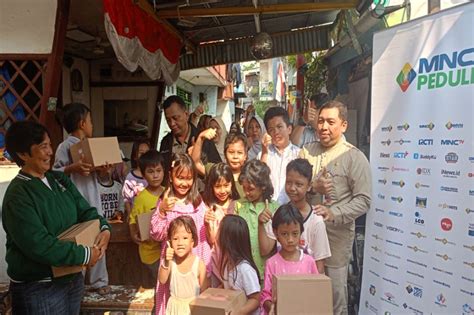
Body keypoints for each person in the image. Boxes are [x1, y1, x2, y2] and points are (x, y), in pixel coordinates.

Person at [3, 121, 111, 314]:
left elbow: (85, 210)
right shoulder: (18, 196)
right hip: (39, 288)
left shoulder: (57, 179)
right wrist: (85, 255)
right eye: (43, 147)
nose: (50, 152)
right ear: (23, 154)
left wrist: (103, 228)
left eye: (50, 145)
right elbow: (40, 245)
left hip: (71, 278)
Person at [299, 100, 371, 315]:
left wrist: (333, 213)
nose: (324, 127)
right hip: (303, 238)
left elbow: (364, 200)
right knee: (303, 292)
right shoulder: (306, 152)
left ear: (344, 125)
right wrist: (313, 187)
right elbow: (293, 188)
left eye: (331, 122)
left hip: (335, 239)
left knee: (334, 296)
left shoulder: (354, 157)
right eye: (320, 121)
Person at [53, 102, 110, 294]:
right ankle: (79, 284)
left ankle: (99, 282)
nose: (92, 125)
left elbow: (100, 177)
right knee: (80, 242)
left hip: (92, 200)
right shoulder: (65, 146)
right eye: (90, 121)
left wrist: (104, 170)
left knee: (99, 240)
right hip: (75, 203)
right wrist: (72, 168)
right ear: (81, 123)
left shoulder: (90, 146)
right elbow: (54, 173)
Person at [150, 153, 212, 315]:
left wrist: (208, 221)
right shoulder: (165, 201)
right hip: (172, 263)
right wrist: (162, 210)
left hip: (194, 263)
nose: (184, 183)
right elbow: (156, 234)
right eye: (180, 178)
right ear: (170, 176)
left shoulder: (198, 202)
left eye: (189, 178)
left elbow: (204, 237)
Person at [258, 159, 331, 274]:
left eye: (299, 184)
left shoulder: (316, 220)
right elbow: (265, 250)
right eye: (288, 182)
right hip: (281, 283)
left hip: (305, 286)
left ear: (309, 186)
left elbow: (319, 266)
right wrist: (261, 224)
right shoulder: (279, 213)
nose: (292, 188)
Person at [260, 204, 319, 315]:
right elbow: (266, 295)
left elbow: (315, 291)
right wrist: (273, 307)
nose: (290, 239)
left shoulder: (309, 262)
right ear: (276, 233)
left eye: (295, 233)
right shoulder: (272, 263)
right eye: (284, 234)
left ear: (301, 232)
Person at [235, 159, 279, 279]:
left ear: (263, 186)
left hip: (267, 275)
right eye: (244, 188)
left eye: (251, 189)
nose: (247, 193)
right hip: (244, 274)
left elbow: (267, 250)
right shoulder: (238, 206)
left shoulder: (274, 208)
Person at [159, 95, 221, 175]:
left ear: (186, 114)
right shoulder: (166, 142)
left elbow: (218, 173)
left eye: (175, 118)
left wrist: (197, 158)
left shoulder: (203, 140)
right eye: (168, 120)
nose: (172, 124)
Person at [159, 216, 208, 315]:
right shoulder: (170, 262)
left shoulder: (199, 264)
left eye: (185, 238)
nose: (180, 243)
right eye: (175, 239)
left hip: (193, 308)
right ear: (170, 242)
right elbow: (162, 279)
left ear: (192, 241)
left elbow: (205, 292)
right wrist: (166, 261)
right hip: (174, 309)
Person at [129, 150, 165, 281]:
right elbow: (133, 219)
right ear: (143, 175)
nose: (155, 175)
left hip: (167, 251)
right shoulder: (141, 198)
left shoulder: (168, 194)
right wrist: (133, 234)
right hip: (150, 253)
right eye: (151, 172)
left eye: (158, 170)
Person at [215, 215, 261, 315]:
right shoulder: (228, 264)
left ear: (227, 239)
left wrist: (238, 312)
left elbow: (256, 299)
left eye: (219, 230)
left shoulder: (245, 269)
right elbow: (227, 286)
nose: (216, 233)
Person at [260, 106, 300, 205]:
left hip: (292, 210)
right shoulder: (263, 154)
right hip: (268, 211)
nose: (276, 132)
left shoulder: (299, 154)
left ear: (289, 129)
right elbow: (259, 180)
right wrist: (264, 153)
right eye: (271, 129)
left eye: (279, 127)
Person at [192, 131, 248, 197]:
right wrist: (200, 138)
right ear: (225, 154)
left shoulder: (250, 177)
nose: (235, 157)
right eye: (231, 152)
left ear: (245, 156)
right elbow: (196, 163)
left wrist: (264, 152)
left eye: (239, 153)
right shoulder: (217, 171)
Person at [202, 163, 240, 246]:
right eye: (218, 186)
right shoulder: (209, 208)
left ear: (232, 184)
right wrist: (207, 224)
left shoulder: (237, 205)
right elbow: (212, 241)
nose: (222, 191)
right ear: (211, 186)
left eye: (226, 185)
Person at [122, 139, 150, 221]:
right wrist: (130, 214)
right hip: (136, 215)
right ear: (135, 156)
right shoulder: (130, 177)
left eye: (147, 153)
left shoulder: (152, 175)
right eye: (141, 153)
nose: (145, 156)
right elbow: (127, 198)